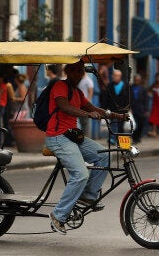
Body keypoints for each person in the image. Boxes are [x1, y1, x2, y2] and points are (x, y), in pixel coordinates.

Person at [45, 60, 127, 235]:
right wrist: (86, 114)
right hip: (58, 136)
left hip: (72, 136)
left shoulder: (78, 92)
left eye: (81, 71)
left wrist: (117, 116)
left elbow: (93, 107)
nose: (78, 74)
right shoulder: (60, 86)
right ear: (68, 71)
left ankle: (88, 195)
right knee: (80, 173)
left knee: (105, 156)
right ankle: (58, 216)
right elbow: (64, 106)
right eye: (75, 70)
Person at [100, 69, 129, 144]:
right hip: (112, 110)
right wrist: (104, 109)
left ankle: (121, 142)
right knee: (113, 124)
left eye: (115, 75)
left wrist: (128, 108)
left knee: (121, 126)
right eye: (113, 75)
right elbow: (106, 98)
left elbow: (129, 98)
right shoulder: (110, 85)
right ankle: (112, 139)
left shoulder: (126, 86)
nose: (113, 77)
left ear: (120, 76)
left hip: (123, 110)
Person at [130, 74, 149, 143]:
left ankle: (138, 137)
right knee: (135, 125)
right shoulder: (130, 88)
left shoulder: (143, 89)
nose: (136, 81)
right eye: (135, 80)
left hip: (141, 109)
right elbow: (128, 98)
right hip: (133, 109)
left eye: (138, 80)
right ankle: (134, 138)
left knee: (141, 125)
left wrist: (146, 110)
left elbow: (146, 99)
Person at [148, 73, 159, 137]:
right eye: (156, 77)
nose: (157, 79)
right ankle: (154, 131)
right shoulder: (154, 85)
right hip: (155, 103)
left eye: (158, 77)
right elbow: (149, 91)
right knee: (154, 117)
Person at [77, 72, 94, 137]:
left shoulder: (88, 80)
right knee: (81, 121)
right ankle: (82, 136)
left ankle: (87, 136)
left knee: (86, 121)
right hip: (79, 104)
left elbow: (90, 93)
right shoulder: (79, 80)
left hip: (85, 104)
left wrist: (87, 103)